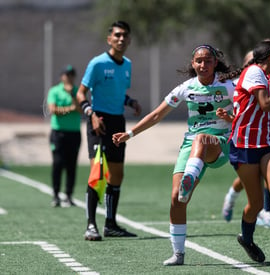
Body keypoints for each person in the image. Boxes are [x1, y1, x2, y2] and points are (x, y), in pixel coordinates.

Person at [112, 44, 234, 266]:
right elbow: (157, 115)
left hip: (219, 143)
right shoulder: (186, 88)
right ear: (193, 63)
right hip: (191, 146)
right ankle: (178, 254)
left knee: (201, 139)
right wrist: (129, 134)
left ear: (215, 63)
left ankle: (190, 174)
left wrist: (230, 118)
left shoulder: (228, 86)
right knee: (177, 198)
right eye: (199, 61)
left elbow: (247, 116)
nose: (203, 65)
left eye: (208, 60)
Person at [219, 40, 270, 268]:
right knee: (253, 203)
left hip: (267, 144)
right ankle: (247, 239)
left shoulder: (262, 76)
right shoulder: (255, 73)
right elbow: (264, 105)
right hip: (243, 146)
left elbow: (259, 115)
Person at [76, 21, 142, 241]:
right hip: (99, 121)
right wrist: (91, 115)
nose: (121, 39)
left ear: (129, 40)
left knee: (117, 174)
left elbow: (117, 93)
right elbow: (81, 93)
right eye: (117, 35)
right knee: (98, 173)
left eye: (125, 35)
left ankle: (111, 224)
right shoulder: (97, 63)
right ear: (109, 39)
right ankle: (90, 225)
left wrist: (130, 101)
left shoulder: (128, 65)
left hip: (117, 123)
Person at [47, 65, 81, 207]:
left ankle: (68, 195)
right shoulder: (54, 91)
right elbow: (53, 110)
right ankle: (56, 195)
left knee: (71, 165)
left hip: (74, 133)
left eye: (72, 75)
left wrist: (73, 98)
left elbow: (81, 109)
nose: (69, 78)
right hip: (58, 133)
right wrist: (70, 109)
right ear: (62, 76)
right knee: (58, 163)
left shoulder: (78, 91)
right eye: (67, 75)